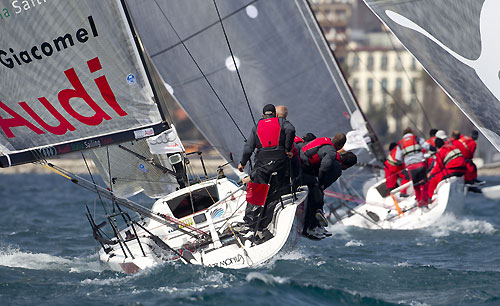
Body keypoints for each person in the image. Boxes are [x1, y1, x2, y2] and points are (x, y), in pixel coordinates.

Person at [236, 104, 295, 234]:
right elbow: (291, 130)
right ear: (274, 114)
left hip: (262, 163)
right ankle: (266, 224)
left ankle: (250, 223)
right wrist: (287, 149)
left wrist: (242, 163)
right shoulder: (282, 122)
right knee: (274, 192)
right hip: (280, 161)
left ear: (263, 115)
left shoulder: (257, 126)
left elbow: (248, 148)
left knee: (257, 190)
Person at [299, 136, 356, 239]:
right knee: (316, 196)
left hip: (297, 166)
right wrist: (319, 183)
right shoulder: (335, 163)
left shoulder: (323, 142)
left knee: (317, 193)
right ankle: (311, 227)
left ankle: (317, 223)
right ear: (347, 166)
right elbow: (324, 172)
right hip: (300, 173)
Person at [394, 127, 431, 207]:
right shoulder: (416, 138)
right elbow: (427, 146)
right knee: (424, 183)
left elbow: (397, 159)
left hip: (411, 168)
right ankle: (425, 202)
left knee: (416, 185)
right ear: (411, 132)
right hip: (420, 164)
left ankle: (419, 202)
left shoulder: (400, 144)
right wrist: (434, 148)